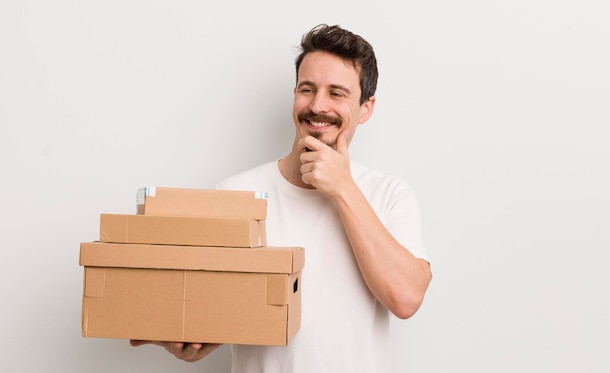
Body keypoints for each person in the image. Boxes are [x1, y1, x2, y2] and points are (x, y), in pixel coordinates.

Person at [130, 23, 432, 372]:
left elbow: (407, 299)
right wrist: (188, 337)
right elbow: (211, 308)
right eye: (307, 89)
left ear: (366, 108)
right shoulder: (234, 195)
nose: (318, 105)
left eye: (337, 93)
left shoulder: (390, 194)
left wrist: (343, 188)